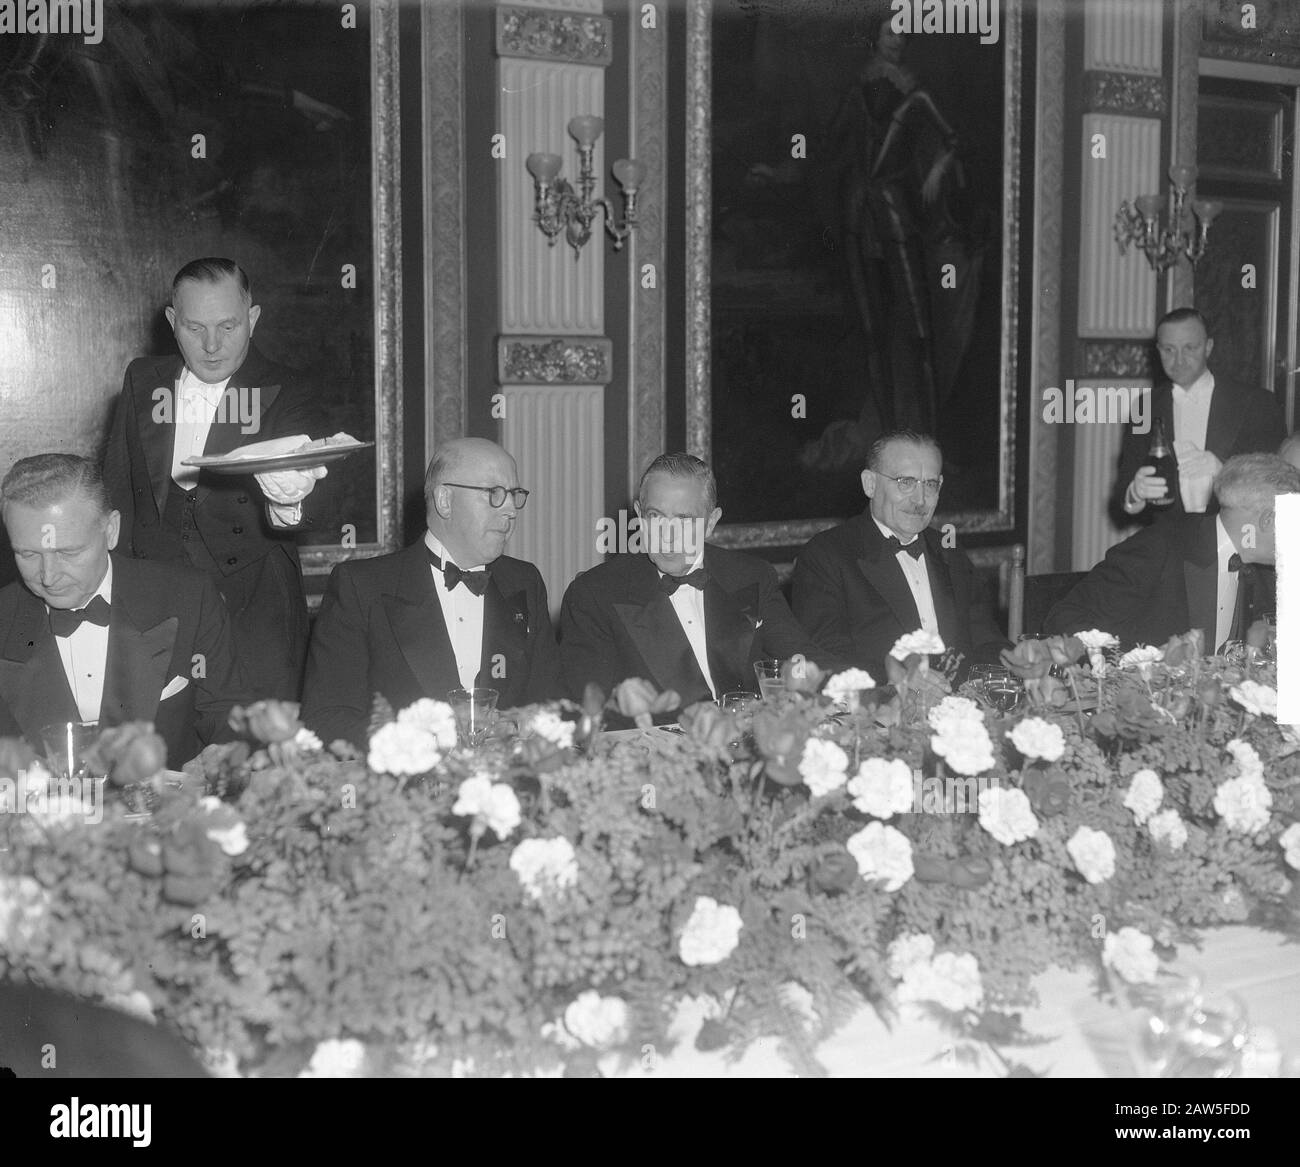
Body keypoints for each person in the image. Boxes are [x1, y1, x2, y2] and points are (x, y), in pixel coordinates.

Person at [103, 258, 329, 702]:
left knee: (257, 755)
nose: (211, 345)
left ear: (253, 319)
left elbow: (316, 501)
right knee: (157, 757)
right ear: (172, 322)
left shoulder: (288, 389)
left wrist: (289, 499)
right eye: (194, 327)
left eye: (228, 327)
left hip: (255, 611)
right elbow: (118, 491)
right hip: (156, 604)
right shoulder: (142, 379)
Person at [301, 439, 561, 747]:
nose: (511, 510)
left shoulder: (525, 581)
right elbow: (327, 719)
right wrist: (424, 744)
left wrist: (516, 728)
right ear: (444, 500)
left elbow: (553, 705)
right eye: (494, 494)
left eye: (514, 495)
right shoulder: (362, 586)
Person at [0, 454, 242, 768]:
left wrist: (221, 760)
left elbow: (230, 715)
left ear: (111, 530)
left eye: (68, 552)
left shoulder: (189, 596)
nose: (48, 575)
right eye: (28, 554)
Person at [559, 453, 834, 708]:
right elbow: (591, 712)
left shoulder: (752, 576)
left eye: (684, 519)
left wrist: (863, 692)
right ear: (639, 517)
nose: (667, 535)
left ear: (711, 522)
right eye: (655, 516)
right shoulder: (595, 595)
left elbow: (806, 661)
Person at [792, 430, 1008, 683]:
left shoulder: (949, 551)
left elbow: (985, 638)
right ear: (869, 484)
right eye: (906, 482)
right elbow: (825, 657)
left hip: (960, 710)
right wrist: (901, 681)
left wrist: (1019, 658)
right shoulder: (826, 555)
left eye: (930, 484)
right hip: (877, 714)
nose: (920, 500)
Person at [1046, 454, 1300, 651]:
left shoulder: (1264, 574)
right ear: (1269, 520)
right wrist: (1143, 665)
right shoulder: (1160, 547)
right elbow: (1065, 619)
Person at [1115, 308, 1286, 522]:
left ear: (1208, 347)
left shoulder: (1256, 403)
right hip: (1168, 544)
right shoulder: (1144, 407)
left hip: (1238, 542)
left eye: (1189, 348)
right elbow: (1123, 492)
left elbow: (1281, 486)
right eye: (1169, 350)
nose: (1178, 360)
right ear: (1158, 350)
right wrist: (1135, 491)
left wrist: (1225, 472)